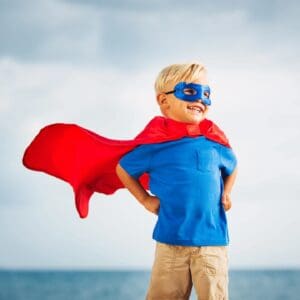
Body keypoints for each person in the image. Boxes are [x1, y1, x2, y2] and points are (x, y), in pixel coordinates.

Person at [116, 62, 238, 300]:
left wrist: (227, 193)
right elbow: (123, 168)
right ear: (164, 101)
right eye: (191, 91)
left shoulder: (215, 144)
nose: (201, 99)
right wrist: (144, 199)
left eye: (206, 94)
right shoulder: (155, 147)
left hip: (212, 243)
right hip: (170, 242)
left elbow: (233, 166)